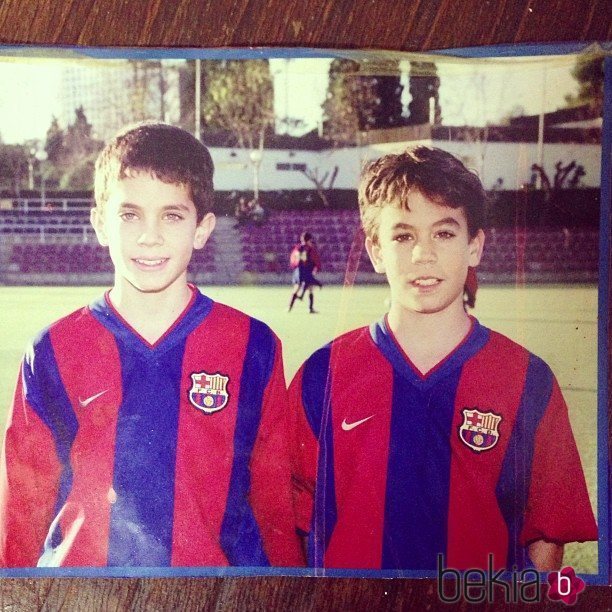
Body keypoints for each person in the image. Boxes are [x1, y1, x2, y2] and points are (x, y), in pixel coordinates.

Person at [0, 123, 302, 569]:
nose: (150, 235)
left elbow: (274, 500)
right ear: (100, 223)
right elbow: (23, 505)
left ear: (202, 229)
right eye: (130, 214)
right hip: (86, 600)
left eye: (172, 215)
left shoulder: (252, 346)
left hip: (216, 599)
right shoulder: (53, 349)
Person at [289, 146, 597, 572]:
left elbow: (546, 533)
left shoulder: (527, 378)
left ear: (475, 246)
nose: (423, 254)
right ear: (376, 250)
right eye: (403, 236)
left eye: (444, 233)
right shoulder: (322, 375)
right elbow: (291, 521)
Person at [288, 231, 322, 314]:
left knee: (297, 288)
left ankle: (290, 307)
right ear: (309, 239)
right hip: (307, 271)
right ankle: (310, 308)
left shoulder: (297, 248)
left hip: (298, 271)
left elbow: (293, 260)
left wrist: (295, 267)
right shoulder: (310, 249)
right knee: (310, 289)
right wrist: (316, 268)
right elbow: (315, 260)